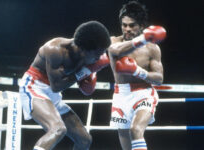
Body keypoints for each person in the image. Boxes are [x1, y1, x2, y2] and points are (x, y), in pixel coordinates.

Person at [19, 20, 111, 150]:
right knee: (57, 129)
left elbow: (83, 88)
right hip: (34, 87)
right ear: (84, 49)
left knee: (84, 140)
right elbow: (56, 86)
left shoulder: (85, 55)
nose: (100, 57)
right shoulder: (55, 50)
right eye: (97, 54)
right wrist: (85, 71)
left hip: (53, 96)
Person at [108, 1, 166, 150]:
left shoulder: (152, 48)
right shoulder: (114, 41)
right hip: (121, 94)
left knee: (136, 129)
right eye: (124, 25)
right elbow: (114, 51)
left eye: (132, 25)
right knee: (125, 139)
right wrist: (141, 40)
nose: (127, 29)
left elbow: (159, 79)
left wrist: (137, 71)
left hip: (143, 93)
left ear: (141, 26)